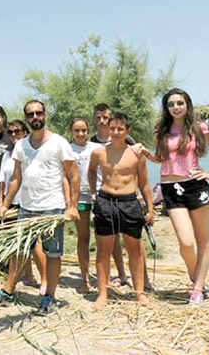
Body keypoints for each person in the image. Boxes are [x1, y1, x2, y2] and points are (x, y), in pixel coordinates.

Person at [139, 88, 209, 304]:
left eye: (180, 103)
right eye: (171, 104)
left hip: (196, 187)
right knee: (186, 243)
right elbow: (162, 159)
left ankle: (198, 289)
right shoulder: (161, 130)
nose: (176, 107)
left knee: (203, 241)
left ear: (187, 105)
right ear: (166, 108)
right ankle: (195, 276)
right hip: (171, 189)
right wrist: (145, 153)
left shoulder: (201, 129)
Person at [0, 100, 79, 316]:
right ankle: (8, 291)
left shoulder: (59, 143)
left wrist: (72, 206)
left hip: (53, 208)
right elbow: (16, 178)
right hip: (27, 208)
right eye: (31, 114)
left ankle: (49, 297)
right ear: (27, 118)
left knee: (53, 254)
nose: (35, 117)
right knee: (19, 251)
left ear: (45, 115)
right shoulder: (21, 145)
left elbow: (74, 175)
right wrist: (5, 205)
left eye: (39, 113)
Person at [88, 113, 154, 309]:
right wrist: (93, 193)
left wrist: (150, 209)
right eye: (112, 128)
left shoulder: (136, 153)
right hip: (105, 201)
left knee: (135, 251)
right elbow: (91, 171)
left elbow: (144, 183)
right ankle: (102, 294)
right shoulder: (99, 153)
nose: (115, 132)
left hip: (129, 202)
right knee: (103, 251)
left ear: (127, 131)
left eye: (120, 129)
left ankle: (139, 293)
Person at [0, 120, 47, 291]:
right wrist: (2, 205)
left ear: (25, 132)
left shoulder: (31, 152)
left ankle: (45, 280)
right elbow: (4, 183)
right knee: (20, 245)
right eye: (10, 132)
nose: (13, 135)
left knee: (35, 245)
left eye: (17, 131)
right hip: (11, 203)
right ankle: (28, 275)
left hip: (28, 203)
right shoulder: (7, 155)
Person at [90, 103, 131, 287]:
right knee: (109, 241)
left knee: (133, 242)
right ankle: (117, 276)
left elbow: (137, 163)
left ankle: (143, 281)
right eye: (98, 117)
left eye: (105, 117)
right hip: (102, 197)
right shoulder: (92, 142)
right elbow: (89, 169)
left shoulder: (125, 138)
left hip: (126, 197)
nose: (102, 121)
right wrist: (92, 192)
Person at [68, 117, 102, 293]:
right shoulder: (68, 149)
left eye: (83, 130)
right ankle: (84, 278)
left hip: (99, 196)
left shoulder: (96, 148)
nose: (81, 134)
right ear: (71, 132)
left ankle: (103, 278)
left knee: (103, 239)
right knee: (83, 237)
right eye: (77, 130)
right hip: (79, 199)